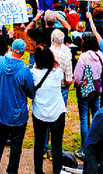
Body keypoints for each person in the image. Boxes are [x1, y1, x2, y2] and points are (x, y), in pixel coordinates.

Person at [0, 38, 35, 174]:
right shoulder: (25, 70)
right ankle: (11, 171)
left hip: (1, 111)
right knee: (16, 146)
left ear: (11, 48)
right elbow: (31, 92)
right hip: (18, 114)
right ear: (24, 52)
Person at [30, 44, 67, 174]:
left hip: (39, 112)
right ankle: (57, 171)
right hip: (57, 112)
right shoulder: (58, 73)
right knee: (57, 145)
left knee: (39, 143)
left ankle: (38, 170)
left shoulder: (33, 73)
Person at [73, 32, 103, 151]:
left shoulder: (83, 57)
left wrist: (76, 84)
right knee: (96, 115)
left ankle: (85, 149)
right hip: (97, 87)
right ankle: (97, 143)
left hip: (85, 88)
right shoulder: (100, 54)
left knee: (84, 118)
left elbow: (78, 75)